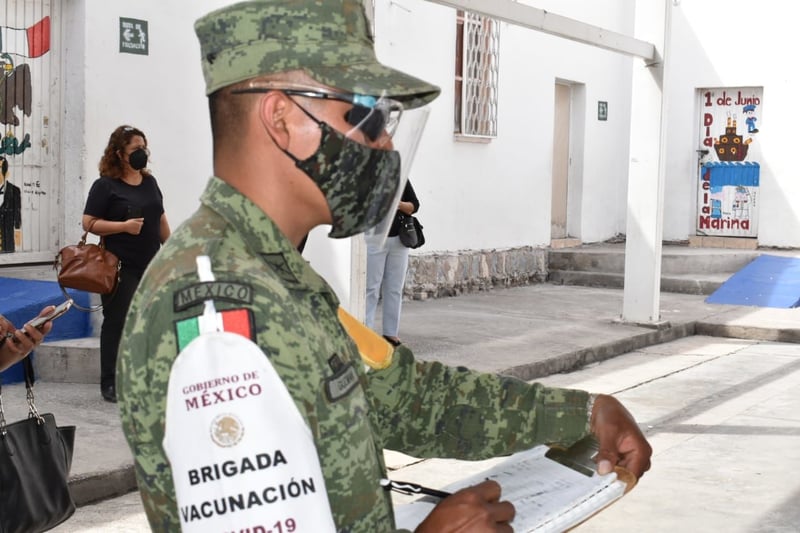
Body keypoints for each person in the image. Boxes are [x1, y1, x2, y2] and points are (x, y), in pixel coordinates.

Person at [117, 1, 652, 531]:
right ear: (282, 118)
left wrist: (580, 414)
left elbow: (406, 399)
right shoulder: (218, 305)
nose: (384, 143)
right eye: (366, 115)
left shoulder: (279, 279)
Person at [83, 125, 170, 403]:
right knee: (117, 322)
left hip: (151, 265)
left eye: (144, 148)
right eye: (135, 149)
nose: (142, 153)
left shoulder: (150, 183)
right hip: (120, 267)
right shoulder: (105, 186)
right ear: (120, 154)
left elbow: (161, 220)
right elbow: (89, 223)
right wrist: (123, 226)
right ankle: (110, 381)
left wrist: (175, 250)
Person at [366, 180, 419, 346]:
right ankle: (365, 331)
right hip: (374, 238)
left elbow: (414, 205)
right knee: (370, 288)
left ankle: (390, 333)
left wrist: (398, 204)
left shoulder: (401, 177)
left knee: (394, 288)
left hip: (399, 240)